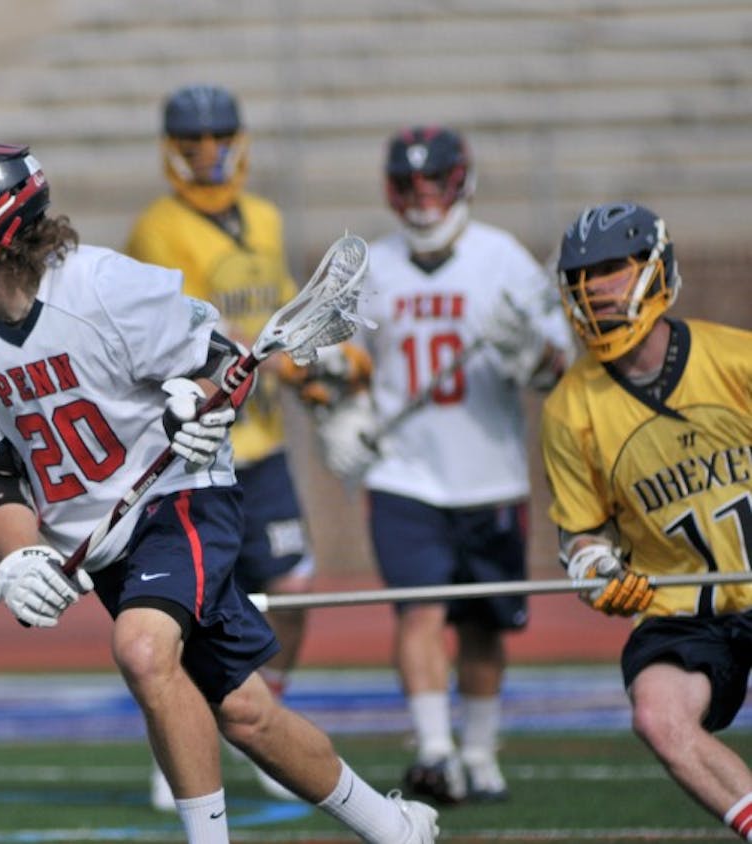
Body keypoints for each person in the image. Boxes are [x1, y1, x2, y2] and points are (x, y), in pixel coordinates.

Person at [0, 142, 439, 844]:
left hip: (181, 496)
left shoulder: (100, 287)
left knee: (144, 650)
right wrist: (23, 556)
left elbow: (218, 362)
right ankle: (394, 827)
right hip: (107, 538)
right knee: (246, 713)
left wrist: (200, 406)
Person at [312, 126, 574, 805]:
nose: (422, 198)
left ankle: (481, 753)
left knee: (486, 623)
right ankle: (435, 752)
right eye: (408, 184)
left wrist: (532, 358)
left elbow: (560, 368)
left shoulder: (504, 260)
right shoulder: (375, 266)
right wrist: (345, 415)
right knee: (419, 613)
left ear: (462, 181)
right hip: (406, 474)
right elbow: (337, 367)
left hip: (489, 473)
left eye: (434, 182)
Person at [124, 82, 361, 807]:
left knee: (292, 586)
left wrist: (327, 382)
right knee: (192, 609)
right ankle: (182, 736)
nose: (206, 151)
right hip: (196, 454)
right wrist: (291, 364)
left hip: (262, 448)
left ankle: (263, 721)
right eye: (191, 140)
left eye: (217, 135)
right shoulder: (157, 231)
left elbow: (282, 322)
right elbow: (201, 340)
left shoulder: (263, 217)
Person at [540, 201, 752, 840]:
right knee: (658, 714)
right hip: (684, 605)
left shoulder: (736, 361)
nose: (596, 289)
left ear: (655, 269)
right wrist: (591, 566)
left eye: (611, 269)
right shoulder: (569, 409)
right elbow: (578, 529)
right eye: (582, 275)